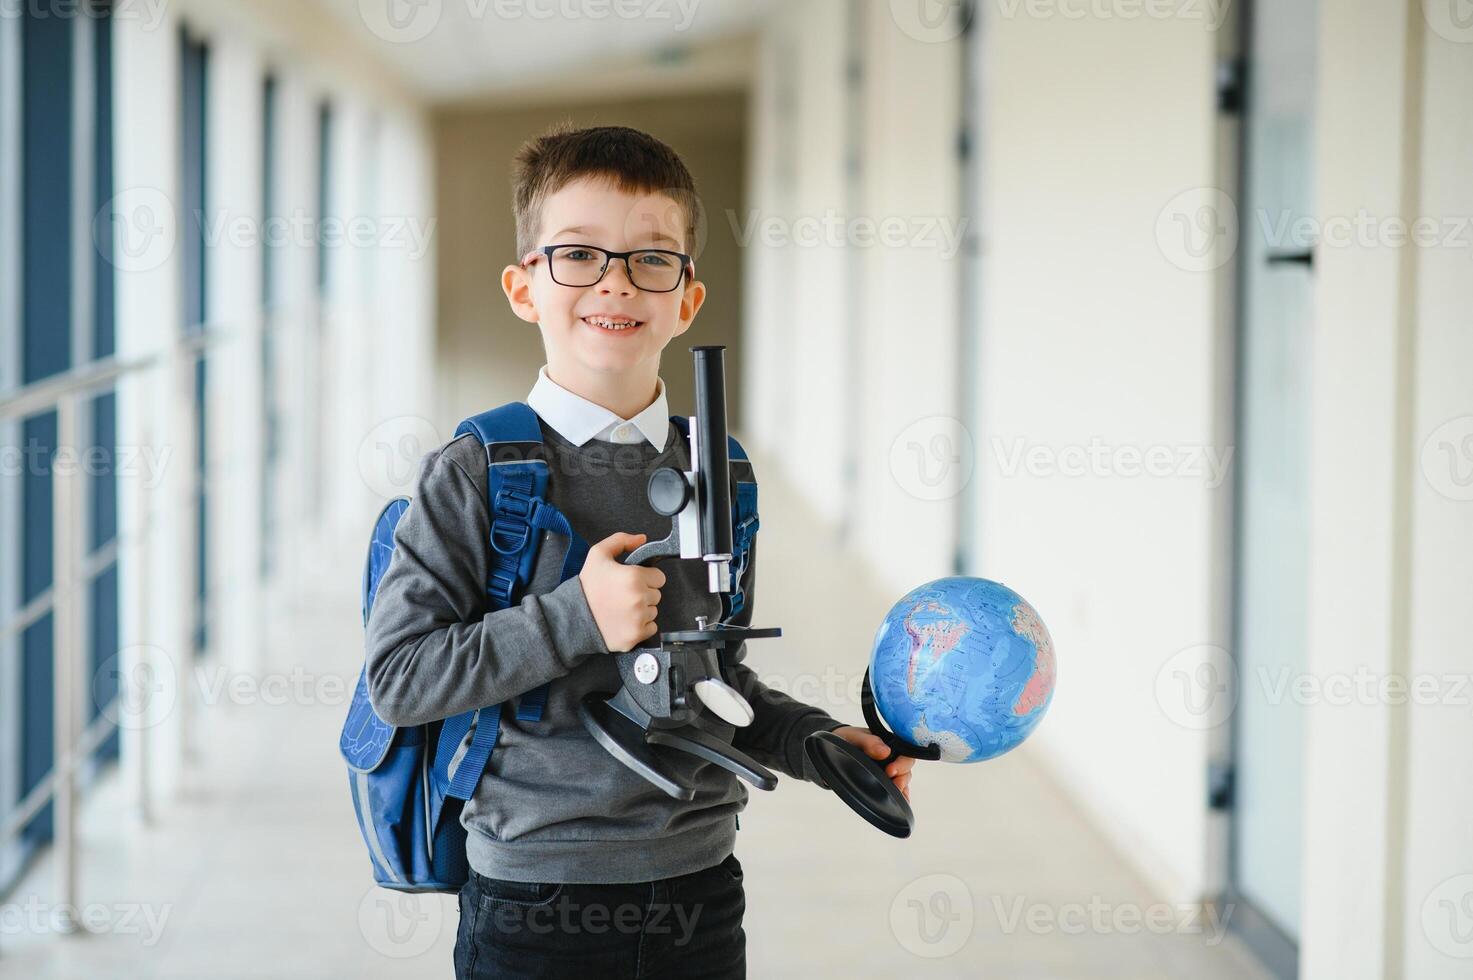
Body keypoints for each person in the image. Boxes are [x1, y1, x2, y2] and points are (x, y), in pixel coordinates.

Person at [365, 123, 915, 979]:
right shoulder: (476, 471)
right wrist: (575, 617)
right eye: (577, 254)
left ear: (686, 298)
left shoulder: (721, 468)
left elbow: (715, 681)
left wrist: (813, 742)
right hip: (532, 901)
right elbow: (399, 680)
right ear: (524, 287)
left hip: (699, 890)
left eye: (650, 259)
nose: (615, 281)